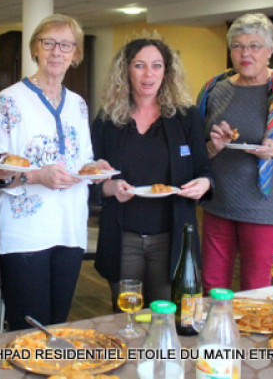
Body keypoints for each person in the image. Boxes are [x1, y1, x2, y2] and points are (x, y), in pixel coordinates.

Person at [0, 14, 105, 331]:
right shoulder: (9, 102)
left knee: (56, 326)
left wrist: (95, 169)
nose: (57, 52)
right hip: (24, 235)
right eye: (48, 43)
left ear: (76, 53)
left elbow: (82, 159)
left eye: (65, 45)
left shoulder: (78, 105)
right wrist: (38, 176)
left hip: (69, 230)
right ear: (35, 49)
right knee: (29, 330)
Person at [197, 13, 273, 291]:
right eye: (238, 46)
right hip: (218, 201)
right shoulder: (214, 90)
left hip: (266, 207)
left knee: (257, 289)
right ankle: (217, 335)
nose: (245, 54)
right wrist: (213, 146)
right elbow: (196, 151)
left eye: (254, 46)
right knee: (211, 285)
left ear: (270, 51)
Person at [91, 38, 213, 307]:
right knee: (126, 317)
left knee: (165, 317)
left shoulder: (185, 116)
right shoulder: (107, 120)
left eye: (156, 66)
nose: (149, 74)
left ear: (166, 72)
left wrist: (203, 183)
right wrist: (108, 187)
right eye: (139, 65)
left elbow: (204, 170)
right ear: (126, 71)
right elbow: (89, 177)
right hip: (123, 239)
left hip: (171, 238)